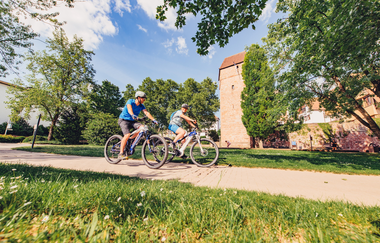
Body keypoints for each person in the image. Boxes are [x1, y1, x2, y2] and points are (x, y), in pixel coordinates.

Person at [118, 91, 158, 160]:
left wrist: (153, 119)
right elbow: (129, 108)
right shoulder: (130, 101)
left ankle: (131, 140)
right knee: (127, 134)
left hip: (132, 121)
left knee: (142, 128)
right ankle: (121, 153)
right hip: (123, 120)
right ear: (138, 98)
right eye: (143, 98)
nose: (144, 100)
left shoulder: (141, 106)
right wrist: (132, 114)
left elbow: (146, 113)